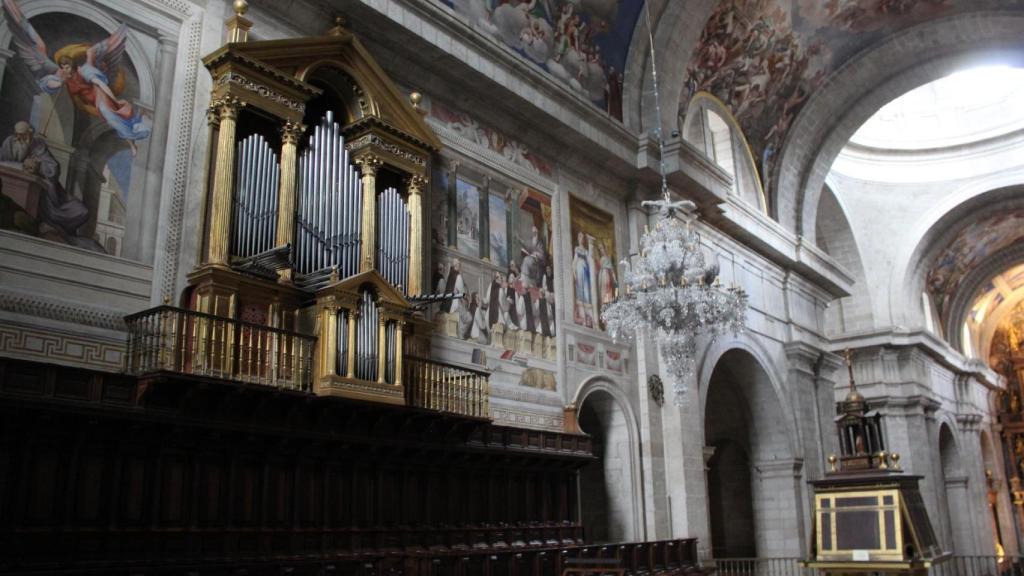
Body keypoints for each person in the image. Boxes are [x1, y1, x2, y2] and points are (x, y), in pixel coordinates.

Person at [0, 121, 101, 251]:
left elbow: (53, 168)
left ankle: (59, 227)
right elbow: (2, 158)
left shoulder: (38, 145)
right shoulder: (9, 142)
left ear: (30, 133)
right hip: (20, 182)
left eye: (23, 135)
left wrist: (39, 167)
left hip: (44, 188)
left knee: (79, 210)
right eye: (18, 135)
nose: (20, 138)